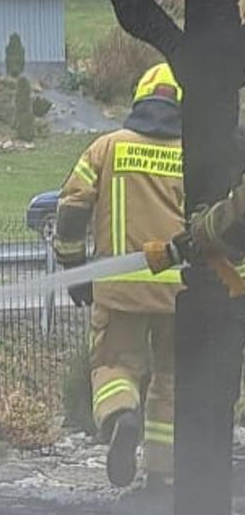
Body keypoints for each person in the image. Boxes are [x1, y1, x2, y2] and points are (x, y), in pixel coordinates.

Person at [53, 62, 185, 488]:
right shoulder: (195, 152)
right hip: (182, 292)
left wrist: (74, 269)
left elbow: (72, 210)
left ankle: (122, 419)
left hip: (120, 290)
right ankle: (162, 478)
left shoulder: (107, 147)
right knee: (170, 381)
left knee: (114, 366)